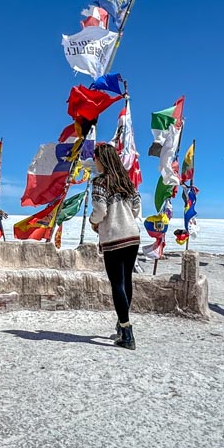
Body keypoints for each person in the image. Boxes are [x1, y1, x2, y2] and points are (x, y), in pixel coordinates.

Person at [88, 143, 143, 349]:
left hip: (113, 237)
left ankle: (127, 333)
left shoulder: (100, 182)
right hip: (132, 236)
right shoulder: (127, 181)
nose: (95, 162)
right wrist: (126, 216)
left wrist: (95, 222)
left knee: (117, 284)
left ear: (102, 159)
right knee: (126, 281)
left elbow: (100, 210)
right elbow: (137, 207)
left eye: (96, 159)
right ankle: (122, 325)